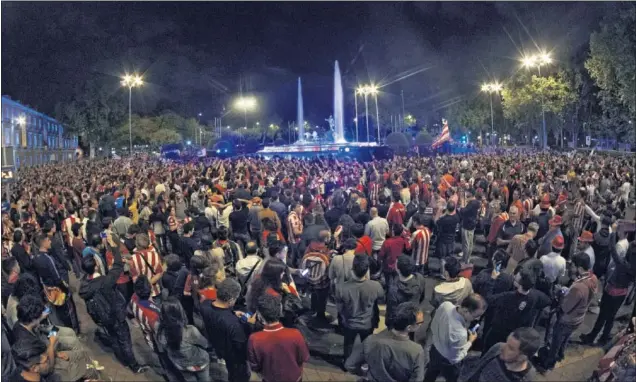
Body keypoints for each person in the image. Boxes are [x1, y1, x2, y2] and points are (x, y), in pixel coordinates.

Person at [78, 233, 147, 373]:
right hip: (116, 314)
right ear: (96, 266)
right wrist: (115, 248)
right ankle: (134, 365)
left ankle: (121, 359)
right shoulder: (105, 282)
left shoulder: (84, 287)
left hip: (102, 317)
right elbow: (117, 265)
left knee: (114, 338)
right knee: (124, 340)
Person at [11, 295, 95, 381]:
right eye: (40, 315)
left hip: (45, 336)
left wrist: (42, 319)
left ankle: (83, 362)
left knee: (69, 331)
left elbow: (43, 335)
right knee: (73, 342)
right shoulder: (26, 341)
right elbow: (48, 365)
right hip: (49, 349)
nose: (43, 314)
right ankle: (85, 368)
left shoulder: (23, 322)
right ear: (33, 319)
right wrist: (52, 345)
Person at [541, 252, 597, 370]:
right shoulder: (593, 278)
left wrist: (560, 293)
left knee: (556, 341)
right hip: (579, 318)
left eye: (573, 266)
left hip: (567, 319)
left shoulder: (578, 287)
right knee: (565, 339)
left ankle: (549, 363)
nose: (571, 268)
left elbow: (565, 307)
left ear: (580, 268)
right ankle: (561, 354)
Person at [345, 302, 426, 381]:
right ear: (409, 327)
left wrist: (365, 374)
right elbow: (417, 378)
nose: (421, 324)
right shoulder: (416, 351)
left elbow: (350, 365)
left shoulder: (370, 340)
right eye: (420, 322)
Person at [581, 231, 636, 345]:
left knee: (602, 316)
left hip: (612, 292)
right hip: (621, 293)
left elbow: (613, 250)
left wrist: (614, 233)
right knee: (610, 317)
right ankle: (603, 338)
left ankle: (591, 338)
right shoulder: (631, 268)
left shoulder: (624, 265)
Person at [482, 269, 551, 353]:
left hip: (498, 331)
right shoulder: (535, 295)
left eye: (516, 277)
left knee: (488, 351)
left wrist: (492, 279)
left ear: (518, 283)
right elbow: (547, 301)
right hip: (514, 334)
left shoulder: (508, 297)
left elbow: (488, 299)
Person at [424, 294, 486, 382]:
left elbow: (434, 324)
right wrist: (470, 342)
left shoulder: (446, 305)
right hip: (447, 360)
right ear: (465, 311)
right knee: (452, 378)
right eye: (475, 316)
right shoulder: (460, 334)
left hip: (435, 349)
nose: (477, 319)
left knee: (431, 372)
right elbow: (454, 359)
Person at [247, 293, 310, 382]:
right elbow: (304, 357)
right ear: (280, 311)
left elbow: (254, 366)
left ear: (260, 316)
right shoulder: (295, 334)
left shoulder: (254, 339)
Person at [335, 254, 384, 363]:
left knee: (348, 344)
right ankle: (364, 363)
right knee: (366, 344)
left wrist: (343, 318)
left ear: (352, 269)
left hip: (349, 323)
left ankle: (347, 364)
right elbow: (381, 299)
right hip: (367, 323)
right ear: (367, 270)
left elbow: (340, 308)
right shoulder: (375, 286)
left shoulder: (341, 287)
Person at [200, 278, 251, 382]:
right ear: (231, 299)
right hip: (234, 358)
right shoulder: (234, 325)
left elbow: (218, 314)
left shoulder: (205, 305)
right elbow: (241, 349)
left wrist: (232, 313)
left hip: (218, 345)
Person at [158, 297, 211, 382]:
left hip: (181, 365)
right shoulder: (189, 330)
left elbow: (163, 349)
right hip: (200, 363)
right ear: (180, 312)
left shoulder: (161, 332)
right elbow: (205, 344)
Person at [459, 327, 541, 382]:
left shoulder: (526, 377)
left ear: (522, 357)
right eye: (506, 342)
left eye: (511, 348)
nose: (503, 347)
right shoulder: (498, 347)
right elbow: (479, 367)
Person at [300, 230, 332, 322]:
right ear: (326, 239)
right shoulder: (326, 249)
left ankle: (313, 309)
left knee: (313, 293)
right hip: (322, 280)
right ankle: (320, 315)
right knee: (322, 297)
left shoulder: (310, 246)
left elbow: (304, 259)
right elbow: (328, 264)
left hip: (310, 278)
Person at [386, 255, 426, 329]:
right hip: (415, 316)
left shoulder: (394, 289)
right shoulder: (420, 278)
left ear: (398, 269)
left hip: (400, 322)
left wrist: (389, 324)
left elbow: (391, 311)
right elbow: (422, 297)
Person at [129, 275, 161, 350]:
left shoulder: (133, 298)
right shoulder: (153, 315)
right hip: (157, 341)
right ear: (151, 290)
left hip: (148, 337)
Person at [130, 233, 164, 301]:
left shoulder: (133, 258)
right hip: (155, 290)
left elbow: (134, 277)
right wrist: (149, 283)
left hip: (141, 293)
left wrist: (144, 286)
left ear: (136, 244)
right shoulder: (155, 255)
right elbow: (160, 273)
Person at [378, 224, 411, 289]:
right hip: (398, 265)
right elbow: (408, 248)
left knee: (388, 280)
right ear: (401, 232)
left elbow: (381, 255)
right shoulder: (403, 240)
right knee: (397, 279)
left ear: (393, 231)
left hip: (388, 265)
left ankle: (389, 290)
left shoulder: (387, 242)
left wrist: (379, 261)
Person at [460, 190, 480, 263]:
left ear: (471, 194)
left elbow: (463, 211)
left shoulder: (472, 204)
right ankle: (466, 258)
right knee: (470, 243)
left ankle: (465, 260)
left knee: (467, 244)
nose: (466, 194)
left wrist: (462, 203)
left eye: (467, 192)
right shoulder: (476, 202)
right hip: (472, 224)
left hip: (467, 225)